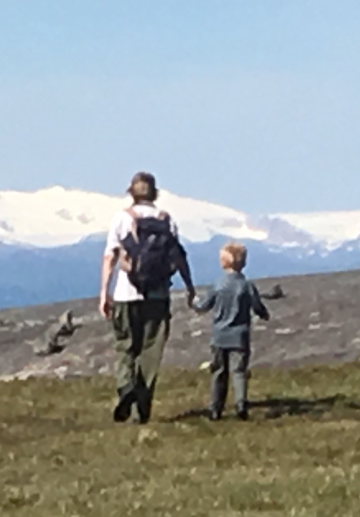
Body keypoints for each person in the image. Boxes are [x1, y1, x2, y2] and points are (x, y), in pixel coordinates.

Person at [98, 172, 195, 423]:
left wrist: (104, 293)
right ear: (154, 193)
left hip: (125, 293)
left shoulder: (122, 218)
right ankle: (142, 408)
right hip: (158, 294)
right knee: (151, 352)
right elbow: (177, 256)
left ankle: (126, 386)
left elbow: (110, 257)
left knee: (125, 346)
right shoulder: (166, 220)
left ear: (131, 192)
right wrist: (189, 286)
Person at [191, 241, 269, 420]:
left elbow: (203, 305)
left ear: (226, 261)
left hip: (219, 335)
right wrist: (264, 314)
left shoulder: (218, 284)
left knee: (218, 371)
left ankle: (215, 408)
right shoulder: (247, 285)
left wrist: (194, 303)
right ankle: (241, 403)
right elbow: (258, 306)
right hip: (240, 335)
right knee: (239, 371)